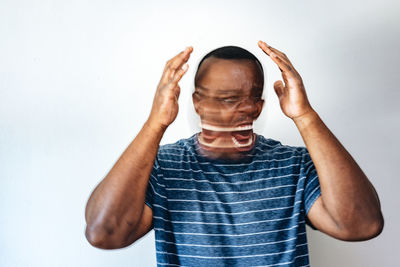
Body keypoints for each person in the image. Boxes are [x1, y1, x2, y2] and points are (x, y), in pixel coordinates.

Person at [85, 41, 384, 266]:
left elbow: (362, 225)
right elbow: (103, 233)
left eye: (242, 99)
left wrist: (304, 115)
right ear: (196, 103)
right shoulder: (162, 167)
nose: (229, 111)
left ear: (258, 107)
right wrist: (155, 123)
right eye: (217, 99)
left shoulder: (295, 165)